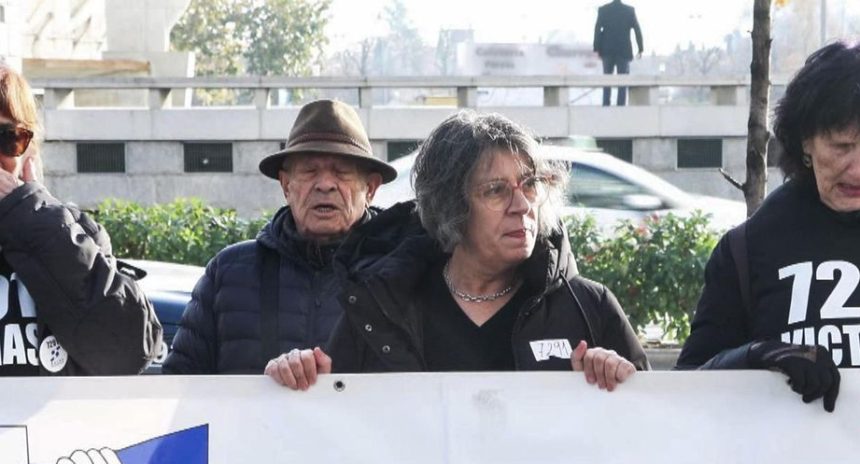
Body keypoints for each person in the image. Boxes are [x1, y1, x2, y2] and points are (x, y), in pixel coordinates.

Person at [265, 110, 649, 390]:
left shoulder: (589, 307)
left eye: (529, 185)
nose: (522, 206)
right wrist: (297, 381)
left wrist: (621, 383)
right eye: (496, 190)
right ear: (450, 207)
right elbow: (330, 432)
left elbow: (655, 435)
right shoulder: (382, 306)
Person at [675, 41, 860, 412]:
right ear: (805, 142)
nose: (856, 170)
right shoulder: (747, 248)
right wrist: (755, 356)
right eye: (841, 147)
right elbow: (689, 386)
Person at [162, 99, 396, 374]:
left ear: (370, 188)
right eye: (310, 171)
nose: (324, 185)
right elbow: (180, 387)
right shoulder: (228, 272)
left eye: (341, 172)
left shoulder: (403, 273)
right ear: (286, 185)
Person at [0, 64, 161, 376]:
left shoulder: (74, 232)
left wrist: (31, 214)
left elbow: (129, 353)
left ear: (30, 151)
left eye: (8, 139)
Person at [593, 0, 644, 107]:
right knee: (623, 80)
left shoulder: (603, 10)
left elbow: (597, 29)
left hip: (607, 50)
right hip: (623, 50)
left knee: (607, 79)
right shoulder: (629, 11)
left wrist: (596, 48)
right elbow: (637, 30)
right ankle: (621, 105)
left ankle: (606, 104)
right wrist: (640, 49)